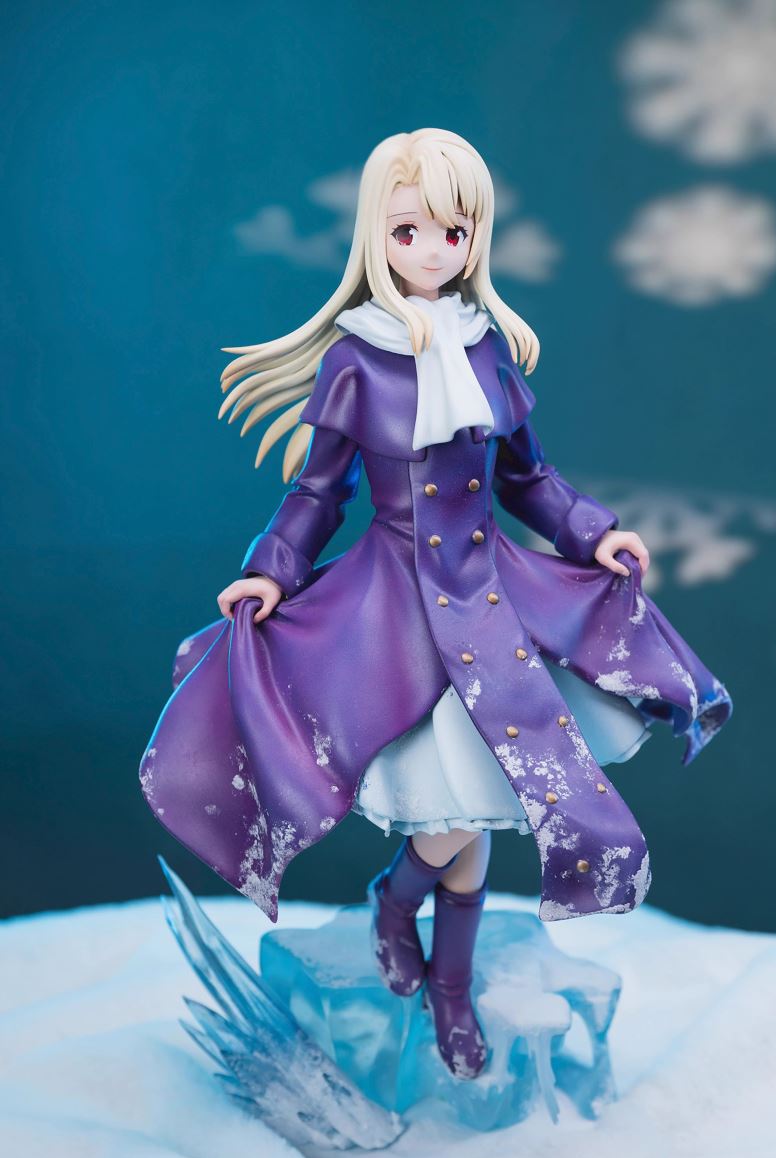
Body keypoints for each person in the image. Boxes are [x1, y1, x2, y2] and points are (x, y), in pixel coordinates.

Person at [141, 128, 732, 1079]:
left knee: (482, 807)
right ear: (378, 234)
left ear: (473, 239)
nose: (431, 249)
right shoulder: (357, 360)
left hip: (491, 596)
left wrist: (592, 532)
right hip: (397, 611)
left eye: (453, 232)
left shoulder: (486, 347)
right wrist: (273, 569)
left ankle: (449, 983)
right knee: (450, 818)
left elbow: (529, 479)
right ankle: (393, 902)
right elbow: (317, 493)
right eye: (409, 229)